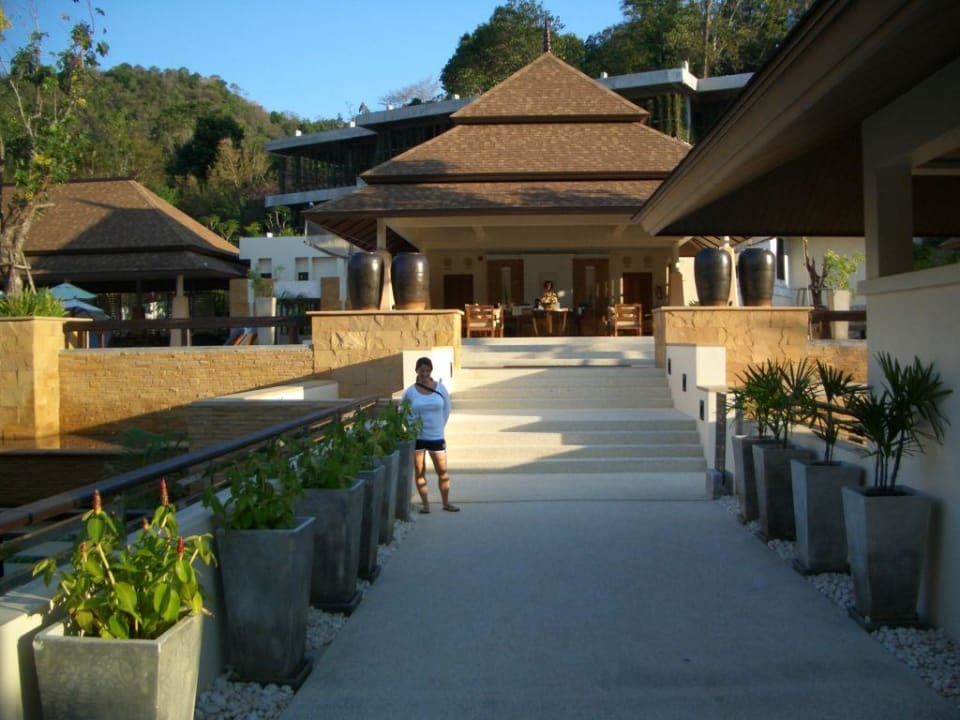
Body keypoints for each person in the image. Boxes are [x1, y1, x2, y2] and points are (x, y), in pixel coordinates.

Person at [401, 356, 459, 513]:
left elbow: (447, 409)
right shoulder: (410, 391)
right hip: (418, 437)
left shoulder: (440, 388)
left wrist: (440, 426)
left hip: (436, 436)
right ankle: (426, 505)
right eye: (421, 370)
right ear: (416, 371)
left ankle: (446, 503)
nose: (424, 373)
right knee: (419, 471)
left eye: (427, 370)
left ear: (431, 370)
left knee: (442, 471)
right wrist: (410, 427)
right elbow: (403, 411)